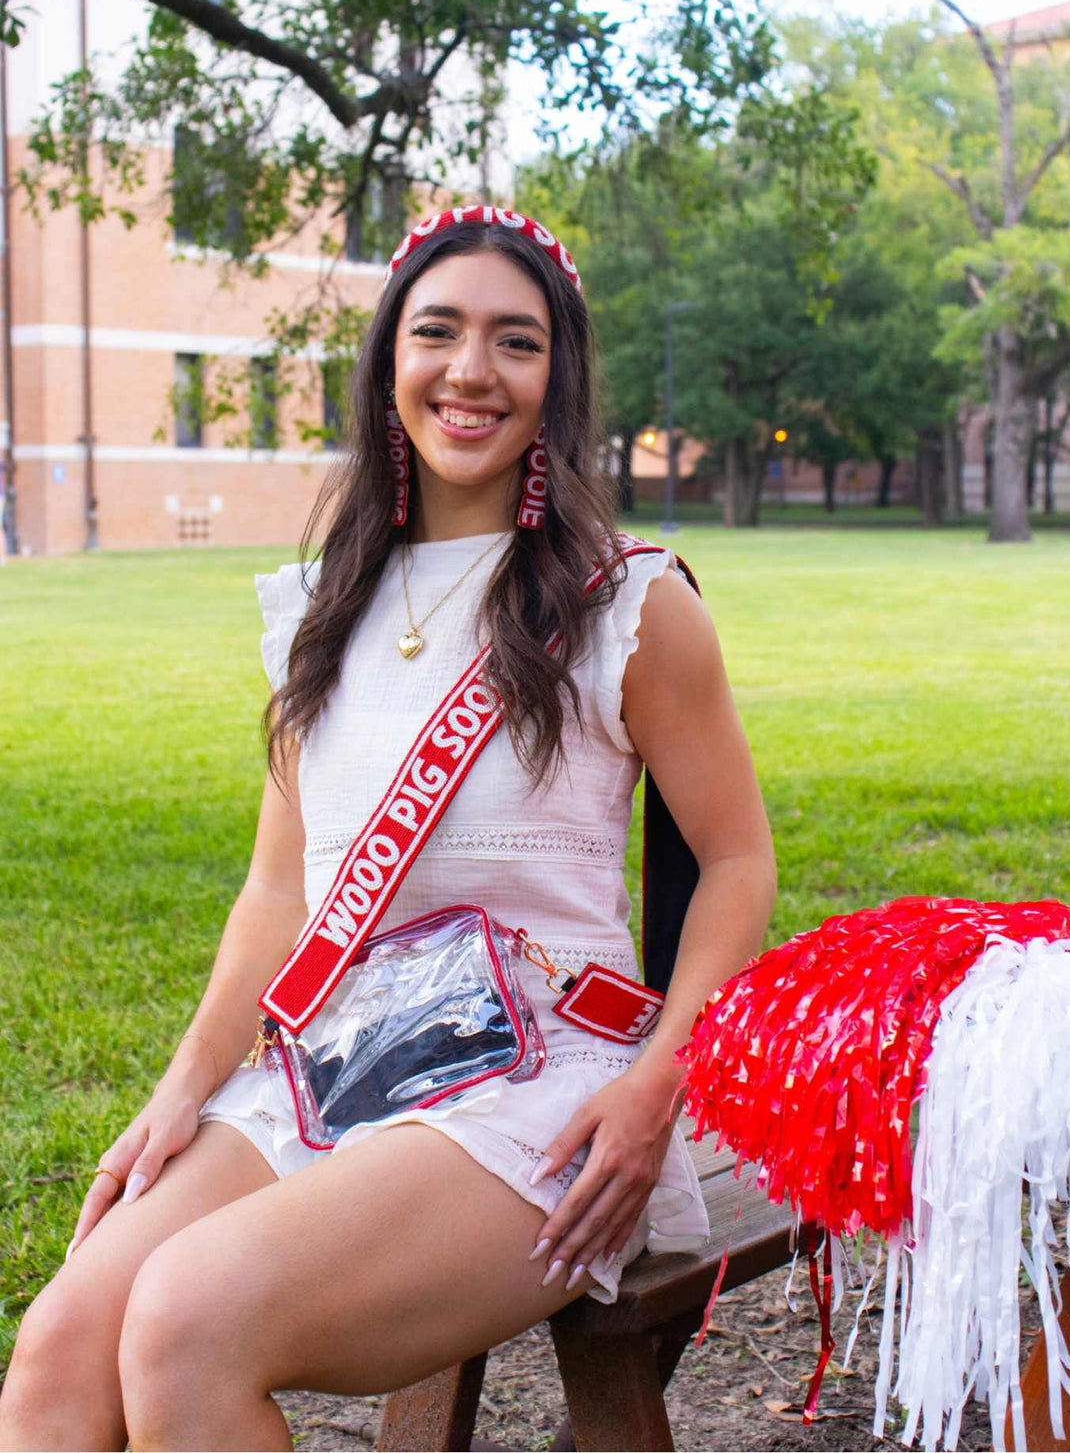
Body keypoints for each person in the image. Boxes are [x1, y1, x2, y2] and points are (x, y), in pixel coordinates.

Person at [0, 208, 776, 1451]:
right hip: (342, 1064)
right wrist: (183, 1088)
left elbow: (737, 861)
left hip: (543, 1082)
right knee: (56, 1355)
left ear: (556, 379)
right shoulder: (319, 611)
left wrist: (656, 1086)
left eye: (515, 343)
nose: (471, 371)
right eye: (439, 332)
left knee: (186, 1323)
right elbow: (276, 895)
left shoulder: (629, 603)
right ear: (388, 362)